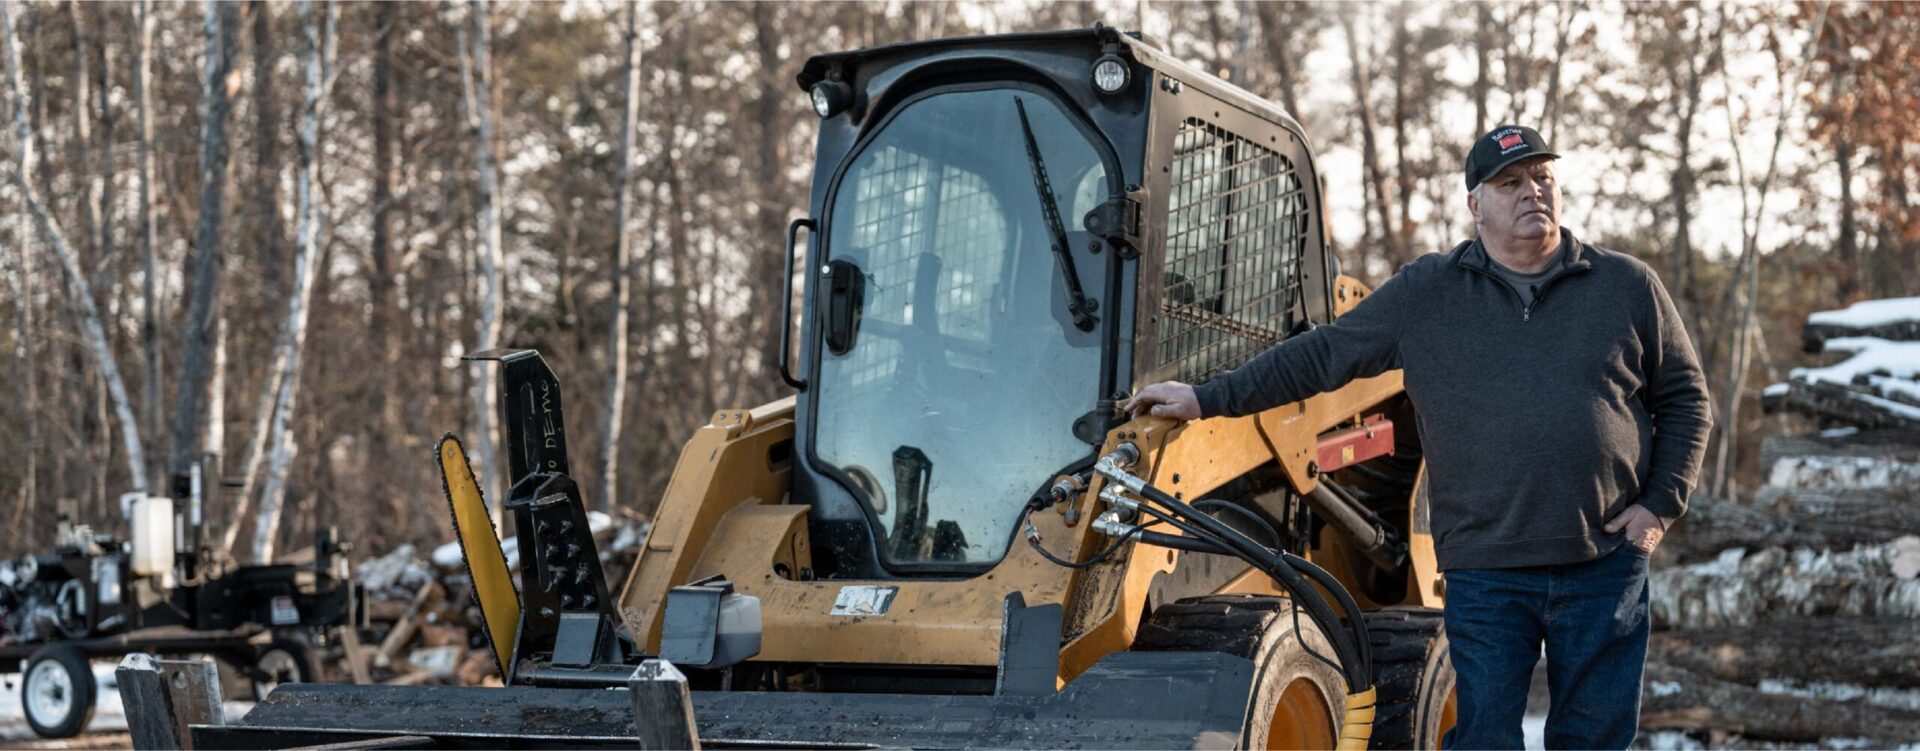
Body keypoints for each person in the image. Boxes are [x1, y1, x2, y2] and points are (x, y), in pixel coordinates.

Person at [1121, 125, 1711, 750]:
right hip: (1488, 569)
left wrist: (1658, 508)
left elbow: (1686, 400)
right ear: (1474, 205)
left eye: (1542, 178)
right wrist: (1208, 397)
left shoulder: (1626, 285)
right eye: (1510, 183)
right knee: (1482, 740)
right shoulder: (1428, 292)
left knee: (1594, 742)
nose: (1531, 192)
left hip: (1603, 561)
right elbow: (1323, 356)